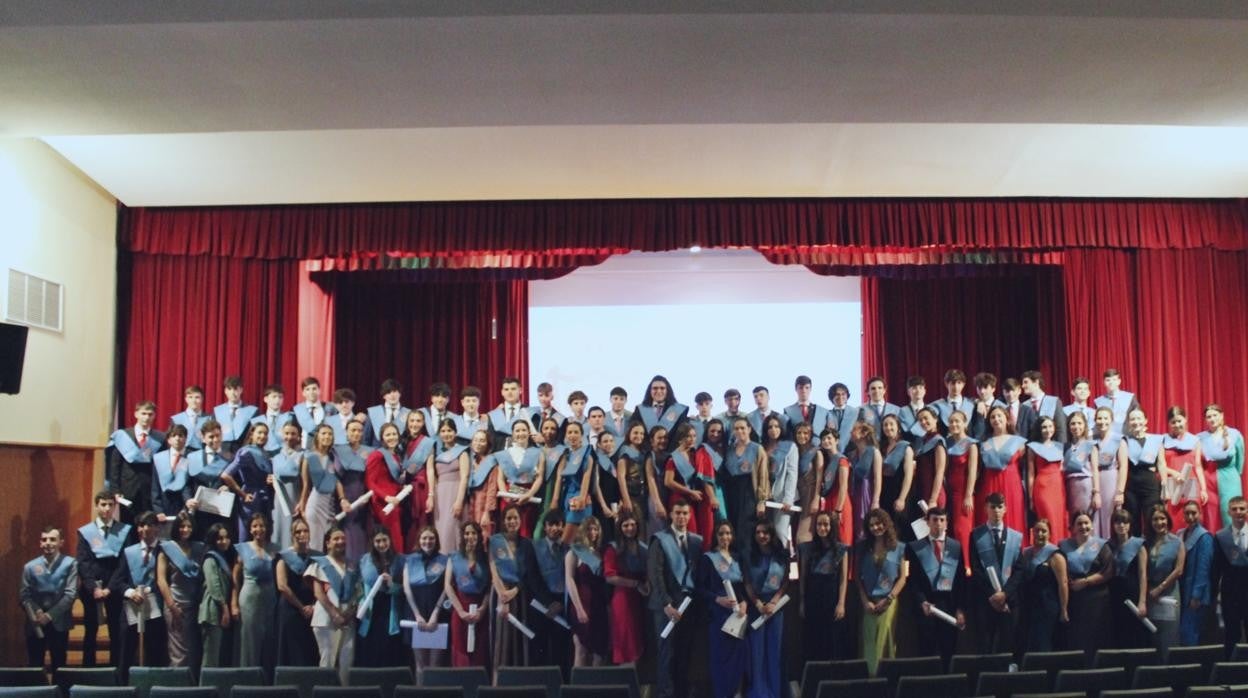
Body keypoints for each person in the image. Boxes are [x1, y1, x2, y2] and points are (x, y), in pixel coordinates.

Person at [648, 499, 702, 698]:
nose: (681, 517)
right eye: (677, 513)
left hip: (687, 606)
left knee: (685, 653)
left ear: (689, 516)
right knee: (666, 654)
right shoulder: (659, 539)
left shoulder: (696, 541)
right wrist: (666, 603)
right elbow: (656, 573)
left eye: (685, 513)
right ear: (671, 515)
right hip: (666, 607)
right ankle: (665, 694)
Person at [109, 511, 168, 675]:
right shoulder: (129, 552)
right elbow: (116, 582)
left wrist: (150, 591)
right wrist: (129, 592)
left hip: (156, 609)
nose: (146, 529)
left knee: (156, 655)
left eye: (150, 525)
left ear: (157, 528)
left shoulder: (165, 550)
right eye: (142, 525)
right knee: (126, 654)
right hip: (131, 607)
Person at [76, 490, 132, 668]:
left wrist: (110, 587)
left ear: (115, 506)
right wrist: (94, 587)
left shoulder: (124, 530)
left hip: (114, 588)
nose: (107, 508)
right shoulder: (86, 532)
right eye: (103, 504)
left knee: (115, 632)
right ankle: (89, 672)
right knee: (90, 631)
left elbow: (124, 563)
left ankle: (115, 672)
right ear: (96, 506)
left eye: (110, 504)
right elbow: (83, 562)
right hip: (91, 590)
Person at [906, 507, 965, 665]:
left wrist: (960, 608)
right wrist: (922, 601)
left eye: (942, 520)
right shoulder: (915, 547)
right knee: (927, 654)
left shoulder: (956, 547)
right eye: (934, 520)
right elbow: (913, 580)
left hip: (949, 606)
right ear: (927, 521)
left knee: (949, 653)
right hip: (927, 607)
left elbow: (960, 581)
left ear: (946, 523)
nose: (938, 524)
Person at [968, 492, 1024, 654]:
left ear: (1005, 509)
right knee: (985, 647)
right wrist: (993, 595)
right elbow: (976, 568)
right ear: (986, 509)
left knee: (1008, 646)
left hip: (1009, 601)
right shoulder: (976, 535)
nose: (997, 511)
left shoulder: (1015, 536)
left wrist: (1005, 594)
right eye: (993, 507)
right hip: (986, 600)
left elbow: (1019, 569)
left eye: (1000, 507)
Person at [699, 521, 749, 698]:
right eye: (721, 534)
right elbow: (700, 589)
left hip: (738, 614)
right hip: (718, 615)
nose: (725, 537)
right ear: (716, 536)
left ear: (732, 536)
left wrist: (745, 603)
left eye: (728, 533)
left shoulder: (737, 558)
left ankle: (737, 692)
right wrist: (717, 599)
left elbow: (742, 587)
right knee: (720, 657)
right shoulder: (708, 558)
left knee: (738, 656)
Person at [857, 508, 908, 674]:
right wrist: (865, 601)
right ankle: (871, 684)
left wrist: (889, 599)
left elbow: (902, 578)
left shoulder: (899, 547)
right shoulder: (863, 547)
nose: (875, 527)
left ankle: (887, 683)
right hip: (869, 603)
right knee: (869, 644)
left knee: (885, 642)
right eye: (871, 525)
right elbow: (857, 578)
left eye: (878, 524)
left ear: (886, 524)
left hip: (888, 602)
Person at [21, 525, 78, 673]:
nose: (48, 543)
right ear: (40, 543)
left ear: (61, 542)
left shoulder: (70, 564)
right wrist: (38, 611)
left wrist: (49, 615)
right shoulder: (30, 567)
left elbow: (70, 595)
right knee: (35, 666)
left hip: (59, 621)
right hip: (35, 623)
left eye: (53, 539)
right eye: (44, 539)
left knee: (59, 667)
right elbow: (24, 595)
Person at [306, 526, 359, 682]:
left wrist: (348, 614)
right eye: (336, 539)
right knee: (327, 661)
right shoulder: (320, 563)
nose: (340, 541)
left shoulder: (352, 565)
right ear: (327, 543)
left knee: (347, 662)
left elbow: (358, 592)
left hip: (348, 620)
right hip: (326, 619)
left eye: (342, 538)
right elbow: (318, 592)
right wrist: (335, 614)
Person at [1060, 511, 1114, 657]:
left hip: (1097, 599)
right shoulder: (1064, 546)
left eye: (1086, 523)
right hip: (1075, 601)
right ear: (1072, 527)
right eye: (1079, 523)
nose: (1083, 526)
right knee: (1077, 639)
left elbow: (1108, 572)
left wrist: (1085, 582)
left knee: (1096, 639)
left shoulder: (1102, 545)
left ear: (1092, 526)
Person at [744, 519, 788, 698]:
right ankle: (758, 693)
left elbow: (785, 582)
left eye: (765, 532)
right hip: (757, 607)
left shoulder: (781, 554)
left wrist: (774, 602)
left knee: (774, 650)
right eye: (758, 533)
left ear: (771, 534)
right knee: (757, 652)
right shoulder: (749, 555)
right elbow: (746, 582)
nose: (761, 536)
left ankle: (775, 692)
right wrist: (757, 603)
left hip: (776, 608)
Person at [1012, 518, 1068, 654]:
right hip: (1028, 605)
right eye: (1037, 530)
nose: (1040, 534)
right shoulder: (1026, 553)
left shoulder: (1055, 555)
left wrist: (1064, 609)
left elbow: (1063, 584)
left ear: (1049, 534)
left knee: (1042, 643)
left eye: (1044, 531)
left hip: (1047, 605)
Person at [799, 512, 849, 662]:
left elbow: (843, 579)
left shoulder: (841, 549)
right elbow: (803, 577)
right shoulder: (807, 548)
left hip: (832, 596)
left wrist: (841, 603)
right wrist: (801, 602)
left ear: (831, 526)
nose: (822, 528)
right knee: (814, 639)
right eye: (819, 524)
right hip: (813, 596)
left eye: (825, 524)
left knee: (833, 639)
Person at [490, 507, 537, 668]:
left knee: (518, 639)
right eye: (508, 518)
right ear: (503, 521)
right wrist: (502, 593)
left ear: (520, 520)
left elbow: (529, 574)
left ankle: (518, 679)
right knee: (501, 638)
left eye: (515, 518)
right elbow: (493, 570)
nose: (512, 521)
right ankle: (498, 682)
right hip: (499, 592)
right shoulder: (494, 541)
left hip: (520, 594)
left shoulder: (527, 544)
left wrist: (514, 591)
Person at [231, 512, 278, 670]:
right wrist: (234, 603)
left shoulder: (274, 549)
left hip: (270, 600)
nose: (259, 529)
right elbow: (235, 578)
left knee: (268, 640)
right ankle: (249, 679)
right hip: (249, 599)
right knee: (250, 641)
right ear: (250, 529)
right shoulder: (242, 549)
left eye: (262, 525)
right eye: (255, 526)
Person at [106, 400, 165, 524]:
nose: (146, 418)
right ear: (136, 414)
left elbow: (161, 467)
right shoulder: (123, 436)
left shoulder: (160, 438)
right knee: (128, 527)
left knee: (147, 526)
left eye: (150, 414)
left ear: (154, 416)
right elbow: (115, 466)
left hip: (149, 491)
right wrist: (115, 490)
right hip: (127, 491)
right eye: (143, 413)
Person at [156, 511, 203, 667]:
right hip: (175, 604)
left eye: (189, 526)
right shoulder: (167, 548)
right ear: (177, 528)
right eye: (182, 526)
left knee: (194, 650)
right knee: (178, 652)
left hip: (195, 606)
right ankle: (177, 688)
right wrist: (172, 606)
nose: (186, 529)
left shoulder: (198, 548)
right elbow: (161, 580)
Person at [529, 511, 572, 676]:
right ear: (545, 527)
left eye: (558, 524)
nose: (555, 528)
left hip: (562, 605)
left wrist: (559, 603)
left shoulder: (568, 549)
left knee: (561, 650)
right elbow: (532, 577)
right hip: (540, 605)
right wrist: (548, 602)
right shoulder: (534, 546)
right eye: (551, 524)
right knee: (539, 649)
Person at [403, 527, 448, 681]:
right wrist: (417, 615)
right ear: (419, 540)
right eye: (424, 538)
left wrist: (436, 613)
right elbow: (407, 589)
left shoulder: (444, 560)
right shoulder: (410, 560)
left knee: (435, 665)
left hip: (437, 614)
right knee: (420, 665)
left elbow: (446, 589)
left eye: (431, 538)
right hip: (417, 615)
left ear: (436, 540)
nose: (427, 542)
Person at [356, 528, 406, 667]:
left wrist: (392, 585)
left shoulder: (401, 560)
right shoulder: (364, 560)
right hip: (371, 610)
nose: (382, 544)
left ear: (390, 540)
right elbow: (359, 585)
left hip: (391, 609)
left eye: (384, 540)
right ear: (372, 542)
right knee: (371, 652)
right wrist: (360, 601)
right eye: (378, 541)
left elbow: (405, 590)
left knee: (389, 652)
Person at [445, 521, 492, 667]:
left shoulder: (485, 557)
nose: (470, 536)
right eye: (466, 533)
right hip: (460, 607)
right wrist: (460, 611)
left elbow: (490, 587)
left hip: (480, 609)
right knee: (460, 648)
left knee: (479, 650)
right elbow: (448, 585)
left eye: (473, 533)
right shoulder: (454, 556)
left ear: (478, 535)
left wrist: (483, 609)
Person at [604, 511, 648, 665]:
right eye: (625, 525)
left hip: (638, 600)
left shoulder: (643, 548)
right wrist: (636, 584)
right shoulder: (613, 548)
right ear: (619, 528)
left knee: (636, 641)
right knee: (625, 641)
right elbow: (610, 577)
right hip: (622, 599)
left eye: (633, 524)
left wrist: (646, 583)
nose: (630, 528)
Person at [274, 517, 320, 666]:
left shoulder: (317, 556)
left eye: (305, 530)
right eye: (298, 531)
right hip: (291, 609)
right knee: (292, 652)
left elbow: (323, 585)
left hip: (313, 610)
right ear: (292, 534)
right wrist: (301, 607)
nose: (302, 534)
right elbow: (282, 586)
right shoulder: (283, 557)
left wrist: (313, 606)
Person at [220, 423, 275, 543]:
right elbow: (226, 475)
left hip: (265, 499)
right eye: (259, 432)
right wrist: (242, 494)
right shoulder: (245, 452)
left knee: (264, 537)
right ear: (252, 434)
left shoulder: (265, 454)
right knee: (246, 536)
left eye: (265, 433)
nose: (263, 436)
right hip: (251, 499)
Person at [976, 406, 1027, 535]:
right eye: (992, 417)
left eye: (999, 416)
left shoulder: (1019, 442)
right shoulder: (984, 443)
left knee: (1012, 517)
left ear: (1007, 419)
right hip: (990, 483)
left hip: (1011, 484)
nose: (996, 419)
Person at [721, 418, 768, 557]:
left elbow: (763, 476)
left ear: (749, 429)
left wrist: (761, 501)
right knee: (732, 531)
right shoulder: (729, 450)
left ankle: (748, 573)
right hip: (731, 493)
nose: (739, 431)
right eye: (736, 429)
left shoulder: (757, 448)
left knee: (746, 533)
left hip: (749, 493)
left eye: (742, 428)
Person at [566, 516, 609, 667]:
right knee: (581, 649)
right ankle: (576, 690)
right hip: (581, 603)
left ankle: (595, 689)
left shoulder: (602, 553)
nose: (592, 532)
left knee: (599, 652)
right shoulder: (575, 552)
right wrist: (579, 609)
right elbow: (569, 580)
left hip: (599, 605)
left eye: (595, 529)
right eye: (589, 529)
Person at [303, 424, 352, 553]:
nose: (327, 436)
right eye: (324, 433)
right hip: (315, 504)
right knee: (315, 543)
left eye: (330, 434)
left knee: (330, 544)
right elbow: (305, 485)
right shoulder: (309, 457)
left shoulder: (333, 457)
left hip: (330, 504)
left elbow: (337, 481)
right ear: (317, 436)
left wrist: (342, 499)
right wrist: (301, 505)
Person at [364, 422, 411, 552]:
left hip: (396, 500)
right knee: (391, 537)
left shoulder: (396, 456)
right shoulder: (377, 455)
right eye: (388, 435)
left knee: (397, 535)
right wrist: (386, 497)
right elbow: (370, 482)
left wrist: (402, 488)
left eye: (394, 434)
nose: (391, 437)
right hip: (383, 503)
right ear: (382, 438)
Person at [665, 423, 716, 542]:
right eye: (688, 436)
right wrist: (689, 492)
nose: (692, 439)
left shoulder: (696, 454)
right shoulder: (673, 458)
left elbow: (703, 477)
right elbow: (668, 482)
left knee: (703, 531)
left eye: (694, 436)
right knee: (689, 531)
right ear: (681, 438)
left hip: (696, 497)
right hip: (680, 498)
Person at [1143, 505, 1185, 653]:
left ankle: (1170, 671)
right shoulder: (1145, 542)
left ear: (1168, 520)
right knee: (1152, 633)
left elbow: (1179, 570)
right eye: (1155, 519)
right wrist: (1148, 590)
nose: (1159, 522)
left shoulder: (1177, 541)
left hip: (1169, 592)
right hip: (1150, 594)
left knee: (1169, 634)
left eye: (1162, 518)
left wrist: (1160, 588)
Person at [1107, 507, 1149, 648]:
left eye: (1125, 522)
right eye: (1118, 522)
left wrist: (1142, 601)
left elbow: (1143, 574)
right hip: (1113, 594)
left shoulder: (1138, 544)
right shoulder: (1109, 545)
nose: (1121, 525)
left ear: (1130, 524)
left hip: (1133, 593)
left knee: (1134, 633)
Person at [494, 419, 544, 537]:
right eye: (517, 431)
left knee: (525, 532)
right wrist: (506, 495)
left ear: (528, 433)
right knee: (507, 531)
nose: (520, 433)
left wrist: (529, 494)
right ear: (512, 434)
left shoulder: (538, 453)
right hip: (508, 497)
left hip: (527, 497)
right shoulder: (504, 454)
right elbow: (500, 478)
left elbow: (539, 478)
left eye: (523, 430)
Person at [333, 419, 374, 560]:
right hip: (345, 497)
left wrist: (368, 495)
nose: (356, 433)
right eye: (353, 430)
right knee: (347, 534)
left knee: (363, 534)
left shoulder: (369, 451)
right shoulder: (338, 450)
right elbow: (336, 477)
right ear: (346, 432)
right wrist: (342, 498)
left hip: (364, 498)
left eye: (359, 431)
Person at [1199, 404, 1244, 529]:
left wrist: (1234, 475)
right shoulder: (1200, 438)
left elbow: (1241, 459)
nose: (1212, 419)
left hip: (1230, 478)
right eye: (1209, 417)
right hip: (1209, 480)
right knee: (1211, 515)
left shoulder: (1234, 434)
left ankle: (1234, 546)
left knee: (1231, 513)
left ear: (1222, 415)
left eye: (1215, 415)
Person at [1124, 409, 1169, 534]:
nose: (1136, 421)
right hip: (1131, 486)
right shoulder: (1125, 441)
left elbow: (1161, 463)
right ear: (1128, 422)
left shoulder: (1156, 440)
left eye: (1139, 418)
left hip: (1151, 485)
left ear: (1145, 420)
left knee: (1152, 518)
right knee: (1133, 521)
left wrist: (1165, 486)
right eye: (1132, 419)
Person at [187, 419, 235, 537]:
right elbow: (186, 483)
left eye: (218, 436)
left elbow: (237, 482)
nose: (215, 440)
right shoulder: (192, 457)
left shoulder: (230, 458)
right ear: (203, 438)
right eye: (211, 437)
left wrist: (229, 487)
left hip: (221, 513)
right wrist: (187, 500)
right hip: (198, 511)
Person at [944, 411, 978, 570]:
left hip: (962, 493)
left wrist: (968, 495)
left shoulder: (971, 444)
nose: (954, 425)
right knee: (949, 531)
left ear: (965, 423)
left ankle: (967, 567)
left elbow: (972, 471)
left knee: (961, 530)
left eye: (957, 421)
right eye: (951, 422)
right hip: (948, 492)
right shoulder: (947, 443)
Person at [199, 522, 235, 668]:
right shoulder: (210, 559)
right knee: (210, 658)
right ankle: (204, 689)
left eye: (226, 538)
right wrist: (225, 609)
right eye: (220, 538)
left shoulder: (224, 557)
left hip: (219, 610)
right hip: (212, 611)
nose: (224, 541)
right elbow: (214, 586)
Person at [1177, 500, 1213, 646]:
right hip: (1183, 590)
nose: (1190, 516)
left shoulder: (1205, 537)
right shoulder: (1181, 534)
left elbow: (1204, 569)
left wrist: (1196, 595)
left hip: (1196, 593)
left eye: (1194, 513)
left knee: (1190, 633)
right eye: (1187, 513)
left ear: (1200, 514)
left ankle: (1191, 667)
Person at [551, 421, 594, 543]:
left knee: (568, 541)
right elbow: (559, 478)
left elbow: (587, 477)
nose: (572, 435)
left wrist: (582, 498)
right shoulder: (566, 455)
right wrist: (554, 500)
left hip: (580, 498)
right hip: (566, 499)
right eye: (569, 432)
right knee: (572, 543)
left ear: (582, 435)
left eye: (576, 432)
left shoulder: (587, 455)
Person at [1163, 406, 1207, 527]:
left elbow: (1198, 466)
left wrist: (1203, 489)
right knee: (1173, 520)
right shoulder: (1163, 440)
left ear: (1185, 420)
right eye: (1173, 422)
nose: (1177, 424)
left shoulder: (1195, 440)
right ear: (1168, 423)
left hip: (1191, 482)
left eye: (1179, 421)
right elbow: (1160, 466)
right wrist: (1173, 473)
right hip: (1171, 483)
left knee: (1192, 519)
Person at [1216, 496, 1248, 658]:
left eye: (1242, 508)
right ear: (1228, 512)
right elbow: (1216, 569)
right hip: (1230, 593)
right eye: (1234, 509)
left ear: (1247, 510)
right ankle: (1230, 672)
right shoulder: (1221, 536)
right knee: (1231, 635)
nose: (1238, 512)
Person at [433, 418, 471, 553]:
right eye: (443, 431)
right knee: (441, 528)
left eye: (449, 430)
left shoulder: (462, 452)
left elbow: (465, 477)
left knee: (453, 527)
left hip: (455, 493)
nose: (446, 433)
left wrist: (459, 501)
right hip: (440, 495)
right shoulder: (437, 453)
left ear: (455, 432)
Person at [269, 422, 309, 550]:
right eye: (287, 433)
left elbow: (306, 482)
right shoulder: (276, 456)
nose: (289, 437)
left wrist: (302, 501)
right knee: (278, 530)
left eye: (293, 434)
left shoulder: (303, 455)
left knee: (293, 532)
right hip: (278, 501)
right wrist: (270, 479)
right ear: (282, 434)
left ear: (298, 436)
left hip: (294, 499)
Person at [399, 410, 437, 544]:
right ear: (407, 422)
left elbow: (430, 469)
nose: (415, 424)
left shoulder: (427, 443)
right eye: (412, 420)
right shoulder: (400, 441)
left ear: (423, 423)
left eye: (418, 421)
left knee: (420, 524)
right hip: (402, 489)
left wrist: (431, 495)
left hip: (420, 489)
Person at [1028, 416, 1069, 541]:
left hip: (1058, 486)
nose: (1048, 429)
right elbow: (1030, 474)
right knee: (1047, 517)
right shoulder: (1033, 447)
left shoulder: (1060, 446)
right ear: (1039, 429)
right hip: (1042, 487)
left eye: (1050, 426)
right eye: (1044, 427)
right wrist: (1030, 498)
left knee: (1059, 518)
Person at [761, 414, 798, 548]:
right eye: (770, 427)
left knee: (780, 533)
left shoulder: (790, 446)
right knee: (766, 534)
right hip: (765, 497)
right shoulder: (761, 447)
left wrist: (788, 499)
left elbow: (792, 473)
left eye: (776, 426)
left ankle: (783, 565)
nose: (773, 429)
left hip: (783, 498)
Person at [1093, 406, 1130, 538]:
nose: (1102, 421)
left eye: (1105, 418)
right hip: (1096, 481)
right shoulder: (1093, 440)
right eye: (1099, 418)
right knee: (1096, 516)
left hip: (1112, 480)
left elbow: (1124, 467)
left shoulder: (1119, 440)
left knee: (1110, 516)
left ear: (1111, 420)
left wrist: (1120, 491)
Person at [878, 414, 916, 539]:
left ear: (898, 427)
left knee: (899, 530)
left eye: (891, 424)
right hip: (885, 493)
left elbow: (908, 476)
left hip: (899, 493)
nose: (888, 427)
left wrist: (902, 498)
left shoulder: (905, 447)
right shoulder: (881, 448)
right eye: (885, 425)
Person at [1063, 412, 1101, 531]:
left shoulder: (1090, 445)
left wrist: (1096, 493)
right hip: (1071, 486)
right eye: (1073, 423)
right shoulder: (1066, 446)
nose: (1076, 426)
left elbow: (1095, 469)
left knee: (1087, 519)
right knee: (1074, 521)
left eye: (1079, 423)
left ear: (1085, 425)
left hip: (1086, 486)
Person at [817, 427, 853, 545]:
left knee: (842, 538)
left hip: (840, 503)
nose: (826, 441)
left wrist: (838, 510)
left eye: (829, 438)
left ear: (836, 440)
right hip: (828, 502)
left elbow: (843, 486)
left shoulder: (842, 460)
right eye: (823, 439)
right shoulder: (826, 460)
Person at [848, 422, 883, 543]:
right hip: (854, 492)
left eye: (854, 430)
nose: (851, 432)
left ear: (864, 433)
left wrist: (875, 501)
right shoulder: (852, 454)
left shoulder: (874, 452)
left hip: (867, 492)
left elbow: (878, 478)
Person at [614, 423, 650, 535]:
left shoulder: (643, 452)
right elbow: (620, 477)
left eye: (641, 433)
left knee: (642, 527)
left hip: (642, 495)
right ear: (629, 434)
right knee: (633, 528)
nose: (639, 436)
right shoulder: (624, 451)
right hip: (631, 495)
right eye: (635, 433)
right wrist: (626, 499)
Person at [912, 407, 948, 519]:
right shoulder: (921, 441)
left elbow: (940, 472)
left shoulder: (938, 441)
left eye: (926, 418)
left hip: (934, 493)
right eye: (920, 420)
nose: (923, 422)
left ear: (935, 419)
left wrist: (933, 499)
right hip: (921, 491)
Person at [793, 422, 825, 544]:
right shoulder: (794, 451)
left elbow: (819, 478)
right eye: (799, 433)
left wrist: (816, 499)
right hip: (796, 494)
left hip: (810, 493)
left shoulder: (816, 452)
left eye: (805, 433)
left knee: (804, 536)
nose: (802, 436)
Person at [152, 424, 193, 516]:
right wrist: (158, 510)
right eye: (174, 436)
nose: (177, 439)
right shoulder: (159, 458)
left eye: (181, 435)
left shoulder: (192, 457)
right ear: (168, 440)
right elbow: (155, 487)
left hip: (186, 505)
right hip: (165, 505)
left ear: (186, 439)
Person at [1017, 370, 1067, 445]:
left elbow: (1061, 429)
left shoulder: (1054, 401)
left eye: (1026, 382)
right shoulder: (1024, 405)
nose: (1023, 386)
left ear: (1036, 382)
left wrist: (1062, 449)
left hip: (1051, 447)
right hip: (1031, 448)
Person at [465, 430, 500, 537]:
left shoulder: (491, 462)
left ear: (488, 444)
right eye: (475, 440)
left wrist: (487, 512)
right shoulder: (469, 460)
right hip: (469, 504)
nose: (478, 443)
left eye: (482, 441)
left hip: (483, 505)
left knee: (483, 536)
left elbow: (492, 489)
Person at [487, 376, 532, 450]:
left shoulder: (529, 412)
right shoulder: (495, 415)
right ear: (502, 392)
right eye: (506, 389)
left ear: (520, 390)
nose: (510, 392)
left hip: (525, 455)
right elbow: (491, 440)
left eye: (513, 389)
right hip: (501, 456)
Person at [214, 375, 257, 452]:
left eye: (236, 389)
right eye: (229, 389)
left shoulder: (252, 411)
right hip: (222, 451)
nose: (233, 393)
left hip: (244, 451)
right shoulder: (217, 411)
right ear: (225, 391)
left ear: (241, 390)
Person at [365, 378, 411, 446]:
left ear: (400, 394)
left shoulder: (408, 413)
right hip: (377, 453)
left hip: (400, 454)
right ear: (384, 396)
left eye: (395, 391)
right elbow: (366, 438)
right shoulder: (374, 412)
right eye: (388, 392)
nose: (392, 395)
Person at [1095, 368, 1140, 436]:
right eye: (1108, 380)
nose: (1111, 382)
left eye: (1114, 379)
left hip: (1127, 436)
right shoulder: (1098, 402)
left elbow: (1138, 417)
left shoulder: (1130, 398)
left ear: (1119, 381)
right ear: (1104, 382)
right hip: (1106, 438)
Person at [251, 384, 294, 454]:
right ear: (265, 399)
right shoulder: (256, 420)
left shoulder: (289, 418)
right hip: (262, 455)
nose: (277, 400)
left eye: (280, 397)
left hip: (284, 455)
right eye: (274, 397)